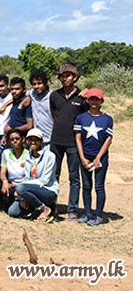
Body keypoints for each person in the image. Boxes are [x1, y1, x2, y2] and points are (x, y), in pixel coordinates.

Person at [50, 64, 88, 222]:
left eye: (68, 76)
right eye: (61, 76)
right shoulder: (55, 95)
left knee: (74, 177)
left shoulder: (82, 97)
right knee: (53, 175)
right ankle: (52, 207)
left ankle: (72, 209)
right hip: (56, 141)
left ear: (75, 78)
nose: (64, 79)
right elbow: (55, 114)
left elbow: (86, 118)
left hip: (73, 142)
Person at [74, 88, 113, 226]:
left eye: (97, 99)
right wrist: (83, 158)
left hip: (100, 157)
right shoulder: (81, 118)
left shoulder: (107, 119)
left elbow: (108, 139)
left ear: (102, 101)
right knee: (86, 185)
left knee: (99, 186)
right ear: (87, 100)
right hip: (85, 155)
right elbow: (78, 138)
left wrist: (98, 158)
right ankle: (87, 213)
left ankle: (98, 215)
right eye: (91, 99)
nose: (94, 101)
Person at [8, 128, 59, 223]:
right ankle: (36, 209)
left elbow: (44, 180)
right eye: (30, 139)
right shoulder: (27, 156)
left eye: (36, 139)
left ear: (41, 141)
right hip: (31, 190)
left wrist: (22, 188)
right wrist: (23, 196)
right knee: (13, 212)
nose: (33, 142)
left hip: (47, 190)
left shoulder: (50, 156)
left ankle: (44, 209)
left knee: (20, 188)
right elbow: (28, 177)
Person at [0, 129, 27, 211]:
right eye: (12, 139)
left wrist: (17, 185)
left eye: (17, 138)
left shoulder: (28, 155)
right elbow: (2, 172)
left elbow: (30, 176)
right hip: (10, 183)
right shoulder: (6, 153)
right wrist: (5, 181)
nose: (15, 141)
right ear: (9, 141)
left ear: (23, 139)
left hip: (23, 185)